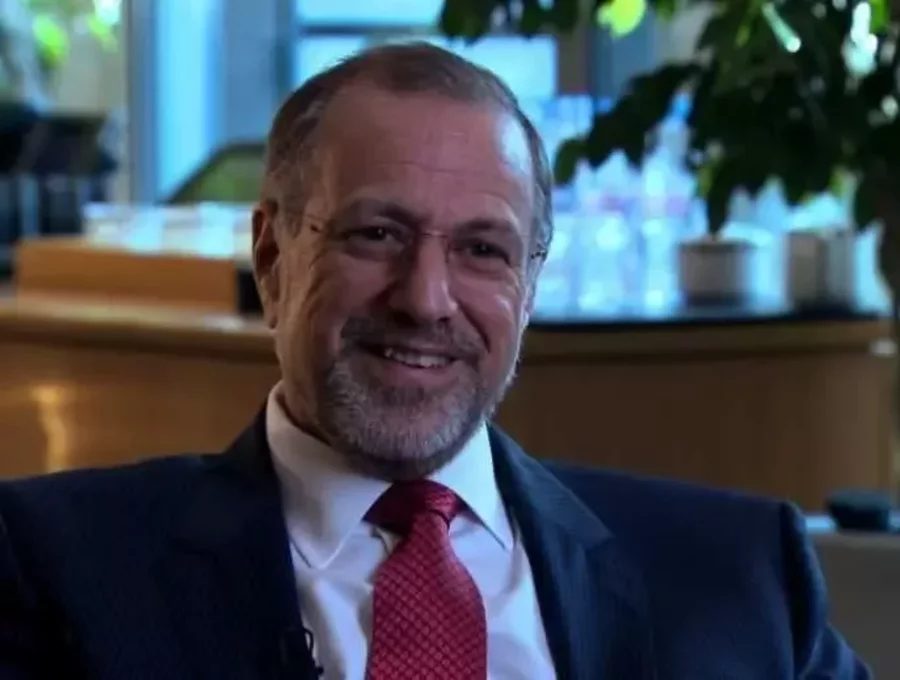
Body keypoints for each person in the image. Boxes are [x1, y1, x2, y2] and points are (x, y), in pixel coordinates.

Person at [0, 42, 870, 680]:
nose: (425, 299)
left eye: (483, 250)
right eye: (376, 234)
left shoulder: (737, 575)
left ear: (529, 286)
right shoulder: (59, 567)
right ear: (271, 257)